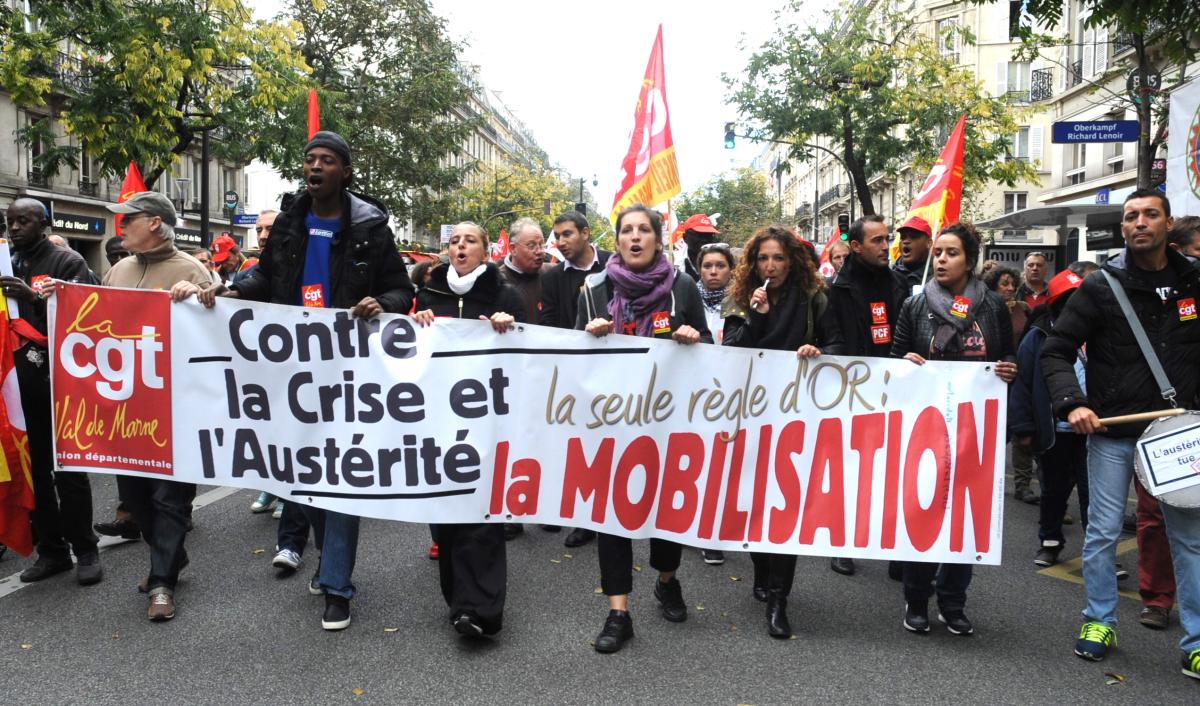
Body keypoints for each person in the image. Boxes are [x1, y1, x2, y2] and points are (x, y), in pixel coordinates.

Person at [189, 130, 415, 631]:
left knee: (343, 481)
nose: (315, 167)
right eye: (310, 159)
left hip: (350, 372)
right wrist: (227, 290)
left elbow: (400, 287)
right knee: (303, 476)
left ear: (345, 171)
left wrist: (384, 304)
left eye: (327, 160)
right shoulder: (290, 220)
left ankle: (337, 586)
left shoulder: (371, 227)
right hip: (291, 371)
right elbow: (265, 279)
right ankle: (324, 556)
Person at [1043, 190, 1200, 678]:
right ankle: (1099, 621)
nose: (1139, 223)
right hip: (1113, 430)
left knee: (1188, 538)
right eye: (1130, 217)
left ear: (1168, 223)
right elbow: (1056, 349)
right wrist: (1075, 403)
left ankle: (1196, 641)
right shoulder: (1101, 286)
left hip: (1177, 433)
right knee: (1103, 532)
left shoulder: (1195, 281)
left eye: (1149, 214)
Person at [577, 204, 711, 653]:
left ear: (657, 238)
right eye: (626, 231)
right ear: (616, 241)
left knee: (667, 511)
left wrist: (693, 339)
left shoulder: (683, 288)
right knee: (612, 516)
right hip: (611, 426)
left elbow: (711, 352)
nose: (634, 237)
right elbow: (572, 362)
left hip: (668, 425)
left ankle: (667, 580)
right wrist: (588, 337)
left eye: (643, 230)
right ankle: (618, 612)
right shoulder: (592, 291)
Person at [893, 221, 1017, 637]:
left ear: (970, 260)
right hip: (926, 427)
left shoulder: (994, 306)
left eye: (951, 253)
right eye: (938, 253)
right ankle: (916, 598)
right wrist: (906, 364)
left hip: (975, 429)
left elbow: (1007, 358)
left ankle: (953, 601)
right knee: (923, 509)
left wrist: (1007, 370)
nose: (941, 259)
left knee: (966, 515)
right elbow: (894, 363)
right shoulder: (914, 305)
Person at [99, 192, 214, 620]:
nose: (120, 226)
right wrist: (54, 298)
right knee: (134, 498)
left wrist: (204, 293)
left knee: (169, 498)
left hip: (174, 407)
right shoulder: (118, 270)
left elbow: (218, 327)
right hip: (125, 407)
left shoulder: (191, 269)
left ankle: (162, 582)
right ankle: (170, 555)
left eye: (127, 219)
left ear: (153, 223)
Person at [412, 221, 523, 638]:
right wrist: (415, 322)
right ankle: (459, 602)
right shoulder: (429, 293)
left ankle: (482, 610)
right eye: (455, 241)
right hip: (438, 419)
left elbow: (531, 348)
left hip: (486, 420)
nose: (461, 246)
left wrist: (509, 326)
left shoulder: (503, 292)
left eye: (470, 241)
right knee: (447, 513)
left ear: (484, 250)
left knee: (481, 512)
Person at [723, 224, 828, 638]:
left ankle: (780, 600)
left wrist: (818, 351)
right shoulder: (744, 299)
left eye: (778, 258)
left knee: (787, 504)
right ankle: (761, 570)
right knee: (755, 499)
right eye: (763, 258)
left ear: (792, 261)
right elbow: (731, 352)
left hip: (798, 415)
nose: (771, 266)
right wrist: (755, 317)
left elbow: (838, 344)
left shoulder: (815, 298)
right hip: (752, 412)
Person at [0, 198, 101, 587]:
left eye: (24, 220)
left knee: (69, 471)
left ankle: (86, 549)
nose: (16, 227)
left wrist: (34, 298)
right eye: (11, 221)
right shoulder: (6, 260)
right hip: (19, 389)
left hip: (59, 385)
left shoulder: (67, 262)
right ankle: (52, 551)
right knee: (35, 470)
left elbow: (87, 317)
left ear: (45, 224)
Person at [820, 215, 911, 578]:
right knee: (854, 472)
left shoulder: (900, 283)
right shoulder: (835, 290)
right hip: (854, 391)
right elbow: (833, 337)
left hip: (897, 389)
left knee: (895, 471)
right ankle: (844, 543)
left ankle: (896, 550)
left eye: (887, 238)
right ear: (856, 247)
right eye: (876, 240)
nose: (884, 246)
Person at [1009, 268, 1090, 569]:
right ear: (1057, 303)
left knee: (1093, 494)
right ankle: (1050, 543)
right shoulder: (1037, 337)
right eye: (1070, 299)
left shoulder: (1100, 333)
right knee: (1053, 491)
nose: (1077, 305)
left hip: (1093, 431)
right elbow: (1023, 384)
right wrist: (1024, 428)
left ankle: (1099, 553)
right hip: (1055, 430)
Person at [539, 210, 611, 547]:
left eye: (566, 234)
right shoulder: (552, 277)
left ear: (585, 233)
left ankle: (612, 509)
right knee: (578, 447)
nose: (560, 242)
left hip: (615, 373)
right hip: (573, 373)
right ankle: (585, 518)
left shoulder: (613, 265)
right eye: (557, 236)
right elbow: (551, 322)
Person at [892, 215, 932, 292]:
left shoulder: (939, 277)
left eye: (913, 237)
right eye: (903, 237)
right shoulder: (889, 276)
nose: (906, 241)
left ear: (929, 243)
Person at [676, 213, 720, 281]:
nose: (704, 239)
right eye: (699, 235)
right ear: (685, 238)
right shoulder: (674, 264)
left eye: (708, 235)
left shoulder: (723, 262)